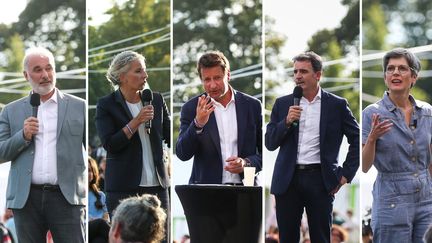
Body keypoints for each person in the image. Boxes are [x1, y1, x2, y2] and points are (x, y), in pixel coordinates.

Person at [265, 51, 359, 243]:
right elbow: (270, 142)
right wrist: (286, 121)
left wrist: (345, 175)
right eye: (295, 71)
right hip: (287, 181)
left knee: (321, 238)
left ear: (318, 75)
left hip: (321, 180)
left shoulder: (337, 105)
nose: (298, 76)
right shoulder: (283, 104)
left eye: (303, 71)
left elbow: (357, 139)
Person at [0, 47, 86, 242]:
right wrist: (23, 135)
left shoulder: (79, 106)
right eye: (38, 70)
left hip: (67, 199)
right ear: (25, 75)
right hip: (26, 200)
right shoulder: (10, 111)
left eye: (49, 68)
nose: (45, 75)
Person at [95, 50, 170, 240]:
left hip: (158, 184)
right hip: (123, 187)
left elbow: (169, 135)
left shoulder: (156, 99)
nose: (145, 75)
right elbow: (110, 144)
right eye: (138, 71)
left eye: (144, 71)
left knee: (162, 238)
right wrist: (136, 122)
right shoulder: (106, 105)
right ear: (122, 76)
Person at [362, 48, 432, 242]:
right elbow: (365, 166)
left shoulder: (427, 112)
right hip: (391, 200)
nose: (395, 73)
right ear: (385, 78)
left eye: (402, 68)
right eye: (390, 69)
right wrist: (372, 138)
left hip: (427, 198)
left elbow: (430, 161)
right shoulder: (372, 113)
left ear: (414, 77)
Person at [176, 51, 262, 184]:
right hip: (206, 192)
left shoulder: (253, 106)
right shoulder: (191, 108)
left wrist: (246, 163)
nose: (212, 85)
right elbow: (182, 154)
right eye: (207, 80)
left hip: (246, 189)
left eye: (217, 78)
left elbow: (263, 152)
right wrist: (198, 123)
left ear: (228, 75)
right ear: (201, 80)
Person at [88, 157, 109, 221]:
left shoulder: (101, 195)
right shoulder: (76, 198)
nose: (87, 173)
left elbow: (106, 218)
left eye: (89, 170)